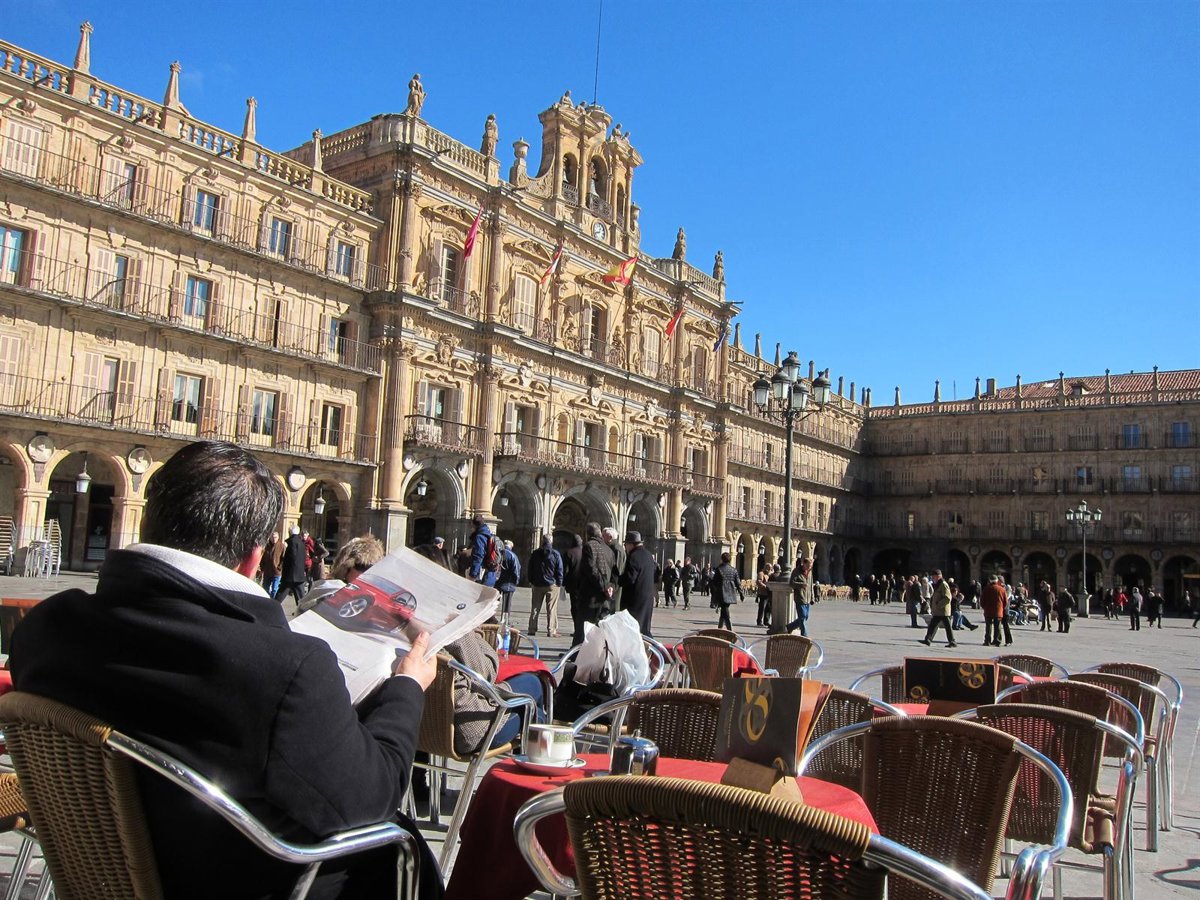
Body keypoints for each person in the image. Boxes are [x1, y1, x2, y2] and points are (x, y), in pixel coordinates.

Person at [9, 440, 441, 900]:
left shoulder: (46, 627)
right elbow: (369, 799)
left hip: (96, 875)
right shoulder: (285, 670)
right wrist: (406, 686)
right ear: (253, 558)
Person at [296, 535, 386, 615]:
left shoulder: (372, 598)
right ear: (346, 568)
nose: (366, 573)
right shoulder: (329, 590)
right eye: (362, 567)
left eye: (371, 568)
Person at [576, 523, 614, 644]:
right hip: (604, 597)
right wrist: (609, 587)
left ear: (587, 534)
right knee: (598, 629)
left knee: (584, 628)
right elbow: (614, 572)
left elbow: (591, 569)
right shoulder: (608, 549)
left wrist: (603, 586)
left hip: (590, 595)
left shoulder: (589, 546)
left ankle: (578, 651)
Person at [619, 531, 659, 636]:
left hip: (635, 599)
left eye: (625, 544)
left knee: (632, 628)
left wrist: (618, 579)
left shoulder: (634, 556)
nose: (625, 547)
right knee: (644, 628)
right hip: (647, 597)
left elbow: (630, 578)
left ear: (631, 544)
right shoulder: (648, 555)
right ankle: (648, 644)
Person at [526, 535, 564, 637]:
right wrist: (559, 583)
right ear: (551, 541)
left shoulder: (535, 553)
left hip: (537, 584)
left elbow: (530, 568)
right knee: (551, 608)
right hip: (551, 585)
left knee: (535, 607)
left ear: (542, 541)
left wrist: (531, 580)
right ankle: (551, 630)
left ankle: (532, 629)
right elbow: (559, 569)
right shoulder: (555, 554)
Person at [920, 569, 956, 648]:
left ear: (938, 576)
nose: (932, 578)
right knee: (933, 625)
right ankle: (928, 639)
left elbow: (947, 597)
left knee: (947, 626)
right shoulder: (938, 584)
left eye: (933, 576)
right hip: (938, 611)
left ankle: (952, 641)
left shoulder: (943, 584)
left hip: (943, 610)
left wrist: (939, 604)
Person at [709, 551, 743, 630]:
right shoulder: (734, 570)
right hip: (731, 592)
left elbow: (715, 582)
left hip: (721, 592)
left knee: (725, 611)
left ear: (722, 559)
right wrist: (741, 593)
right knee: (724, 610)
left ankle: (730, 630)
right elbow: (738, 583)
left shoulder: (719, 569)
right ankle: (720, 628)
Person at [562, 533, 585, 644]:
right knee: (582, 608)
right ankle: (581, 630)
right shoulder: (586, 552)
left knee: (575, 608)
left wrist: (564, 583)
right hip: (584, 585)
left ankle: (577, 629)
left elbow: (565, 570)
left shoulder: (569, 553)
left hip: (573, 585)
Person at [278, 525, 308, 608]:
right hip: (299, 574)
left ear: (290, 532)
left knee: (280, 596)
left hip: (290, 575)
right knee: (301, 600)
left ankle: (271, 609)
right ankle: (303, 612)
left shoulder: (292, 543)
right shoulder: (301, 542)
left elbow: (291, 558)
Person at [468, 514, 499, 587]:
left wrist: (473, 575)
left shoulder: (480, 537)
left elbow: (478, 556)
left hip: (481, 575)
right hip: (490, 574)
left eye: (471, 526)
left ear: (474, 525)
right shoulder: (488, 534)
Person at [787, 557, 814, 636]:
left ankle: (790, 626)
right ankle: (804, 635)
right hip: (800, 597)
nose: (809, 567)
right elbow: (791, 583)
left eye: (810, 566)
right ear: (804, 564)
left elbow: (811, 586)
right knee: (802, 617)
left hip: (807, 598)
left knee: (805, 617)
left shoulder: (810, 572)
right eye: (808, 566)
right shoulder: (796, 571)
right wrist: (801, 585)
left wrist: (812, 597)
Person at [980, 574, 1010, 647]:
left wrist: (984, 607)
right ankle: (997, 641)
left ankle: (987, 641)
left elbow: (982, 601)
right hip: (998, 610)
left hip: (988, 610)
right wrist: (1002, 608)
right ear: (997, 581)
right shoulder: (1002, 589)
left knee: (988, 626)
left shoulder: (986, 589)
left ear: (990, 580)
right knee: (997, 626)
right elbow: (1005, 601)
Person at [603, 526, 626, 616]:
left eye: (604, 536)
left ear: (610, 538)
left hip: (615, 586)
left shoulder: (617, 549)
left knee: (614, 609)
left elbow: (618, 570)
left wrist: (612, 585)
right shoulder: (612, 548)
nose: (602, 538)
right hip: (612, 585)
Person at [496, 539, 521, 617]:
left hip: (497, 580)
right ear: (511, 547)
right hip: (508, 582)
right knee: (507, 603)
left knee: (495, 600)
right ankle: (504, 619)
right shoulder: (512, 555)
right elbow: (516, 569)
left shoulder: (498, 553)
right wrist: (516, 580)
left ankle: (491, 616)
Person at [259, 530, 284, 598]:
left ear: (278, 537)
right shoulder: (266, 546)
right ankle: (266, 600)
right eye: (272, 537)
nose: (274, 539)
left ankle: (273, 601)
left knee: (274, 589)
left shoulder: (281, 546)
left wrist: (280, 567)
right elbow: (262, 557)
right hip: (267, 571)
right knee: (265, 588)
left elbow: (284, 558)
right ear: (270, 538)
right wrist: (262, 568)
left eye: (275, 537)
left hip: (276, 571)